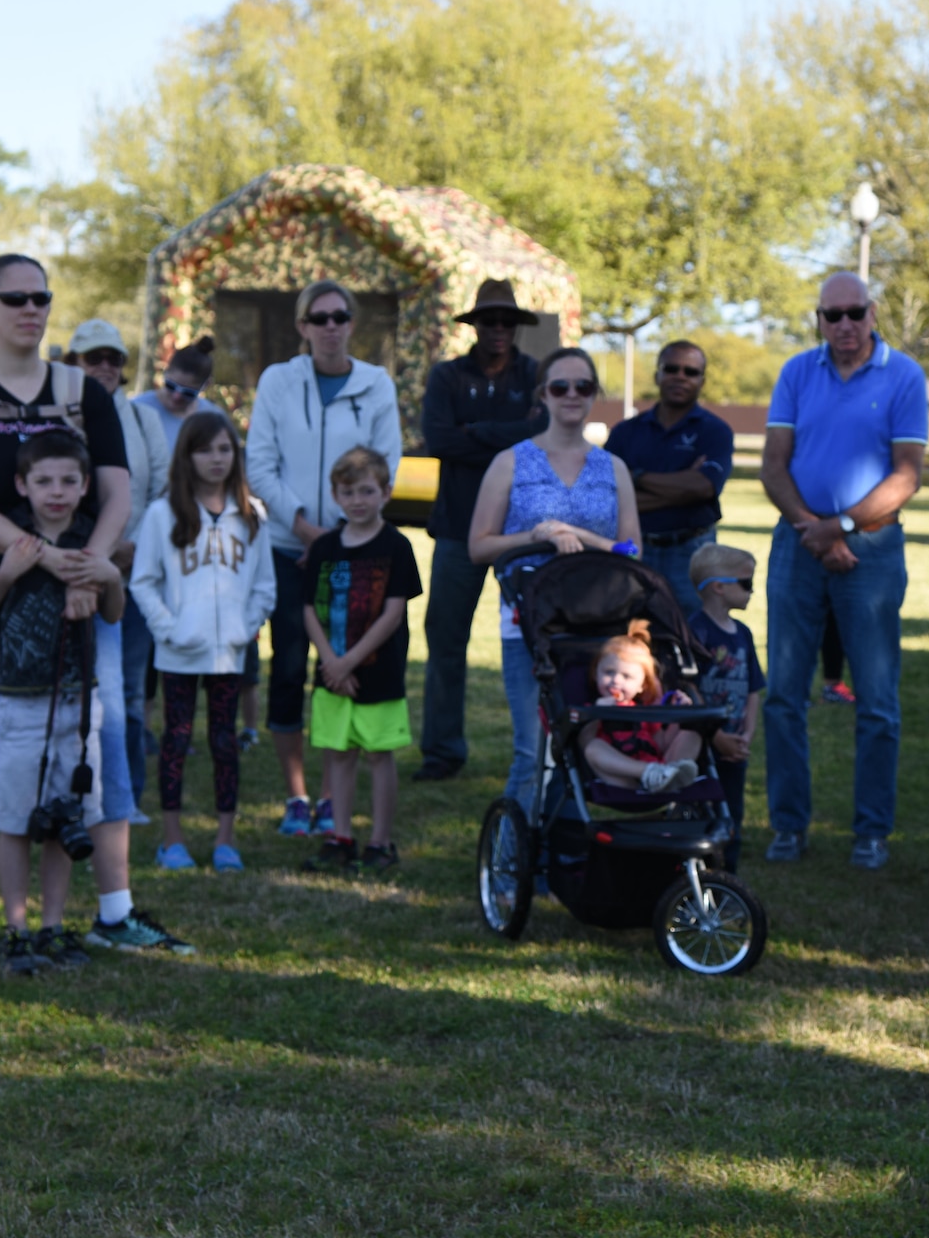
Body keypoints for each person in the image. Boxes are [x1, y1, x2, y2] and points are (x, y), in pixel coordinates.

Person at [0, 254, 187, 962]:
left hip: (79, 581)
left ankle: (114, 909)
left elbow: (118, 490)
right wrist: (41, 553)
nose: (30, 309)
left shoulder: (82, 388)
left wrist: (88, 566)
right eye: (14, 298)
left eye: (41, 297)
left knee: (104, 735)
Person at [759, 272, 927, 871]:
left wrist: (844, 528)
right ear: (820, 319)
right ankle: (787, 826)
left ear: (873, 313)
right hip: (799, 546)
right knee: (782, 695)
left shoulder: (903, 375)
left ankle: (871, 833)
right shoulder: (797, 373)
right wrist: (815, 528)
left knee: (877, 700)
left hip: (872, 553)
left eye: (855, 312)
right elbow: (773, 467)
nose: (845, 325)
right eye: (832, 315)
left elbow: (907, 475)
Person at [246, 280, 402, 836]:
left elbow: (386, 465)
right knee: (287, 667)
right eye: (320, 318)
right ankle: (297, 796)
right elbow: (259, 464)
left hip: (354, 551)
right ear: (302, 325)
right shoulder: (278, 382)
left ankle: (336, 798)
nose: (331, 326)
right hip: (291, 548)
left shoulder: (374, 384)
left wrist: (344, 532)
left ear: (352, 324)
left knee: (343, 667)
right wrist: (305, 527)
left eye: (340, 317)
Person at [0, 432, 128, 974]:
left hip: (81, 703)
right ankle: (15, 930)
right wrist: (9, 571)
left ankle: (53, 925)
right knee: (16, 818)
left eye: (68, 481)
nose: (56, 492)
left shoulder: (92, 539)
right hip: (20, 702)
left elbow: (112, 615)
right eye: (43, 481)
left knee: (68, 818)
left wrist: (108, 578)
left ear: (86, 486)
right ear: (23, 484)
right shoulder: (8, 536)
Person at [469, 348, 641, 817]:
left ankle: (566, 853)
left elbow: (632, 552)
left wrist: (581, 537)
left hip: (596, 628)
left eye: (582, 386)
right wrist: (536, 534)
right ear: (542, 394)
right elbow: (478, 546)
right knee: (532, 750)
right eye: (560, 386)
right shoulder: (511, 462)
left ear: (593, 395)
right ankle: (511, 865)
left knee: (581, 743)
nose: (571, 395)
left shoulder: (613, 468)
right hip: (527, 627)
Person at [413, 278, 548, 782]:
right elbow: (438, 440)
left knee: (540, 641)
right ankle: (442, 751)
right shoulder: (447, 376)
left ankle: (539, 749)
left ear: (516, 327)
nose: (498, 329)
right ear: (475, 325)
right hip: (456, 528)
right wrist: (508, 435)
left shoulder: (536, 375)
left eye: (507, 321)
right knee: (446, 641)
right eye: (489, 320)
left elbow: (542, 435)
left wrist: (477, 434)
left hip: (524, 530)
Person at [130, 412, 274, 873]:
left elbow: (265, 586)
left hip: (229, 654)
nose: (216, 459)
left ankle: (224, 840)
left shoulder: (252, 514)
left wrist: (244, 627)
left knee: (224, 742)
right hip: (178, 653)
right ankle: (172, 841)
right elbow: (143, 582)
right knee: (175, 739)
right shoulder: (162, 514)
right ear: (187, 457)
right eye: (205, 449)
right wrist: (169, 629)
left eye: (225, 449)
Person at [66, 319, 170, 822]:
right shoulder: (59, 415)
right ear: (73, 363)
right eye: (93, 358)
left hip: (131, 574)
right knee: (69, 689)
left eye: (113, 359)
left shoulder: (144, 418)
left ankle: (125, 797)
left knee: (128, 691)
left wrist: (131, 547)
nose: (105, 367)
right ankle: (70, 787)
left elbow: (165, 493)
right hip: (65, 570)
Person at [301, 446, 421, 870]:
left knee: (377, 755)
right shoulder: (324, 548)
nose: (358, 501)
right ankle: (340, 835)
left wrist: (349, 661)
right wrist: (332, 662)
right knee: (338, 754)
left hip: (377, 672)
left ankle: (380, 841)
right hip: (332, 673)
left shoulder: (397, 547)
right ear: (335, 495)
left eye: (367, 491)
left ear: (386, 493)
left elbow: (392, 614)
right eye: (348, 492)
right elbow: (308, 609)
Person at [604, 340, 734, 617]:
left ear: (702, 380)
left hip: (693, 551)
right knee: (631, 636)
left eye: (691, 372)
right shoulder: (625, 432)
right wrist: (682, 485)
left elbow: (704, 488)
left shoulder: (716, 431)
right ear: (657, 375)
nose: (680, 376)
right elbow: (608, 496)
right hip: (636, 549)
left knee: (694, 637)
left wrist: (635, 477)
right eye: (671, 368)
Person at [687, 542, 764, 870]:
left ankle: (727, 877)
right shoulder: (696, 631)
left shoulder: (743, 634)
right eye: (746, 583)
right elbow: (688, 686)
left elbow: (753, 688)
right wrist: (714, 734)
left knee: (732, 811)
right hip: (702, 743)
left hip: (735, 743)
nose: (752, 591)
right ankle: (695, 874)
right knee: (698, 809)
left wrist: (746, 734)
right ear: (719, 587)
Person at [577, 621, 702, 792]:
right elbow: (584, 742)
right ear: (595, 674)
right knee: (593, 748)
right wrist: (597, 713)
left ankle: (670, 777)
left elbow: (660, 743)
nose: (616, 680)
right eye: (608, 672)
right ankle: (650, 774)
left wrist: (679, 716)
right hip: (621, 778)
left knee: (693, 733)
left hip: (656, 768)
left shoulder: (643, 711)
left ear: (641, 686)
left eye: (626, 676)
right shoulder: (592, 708)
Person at [131, 334, 224, 454]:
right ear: (165, 371)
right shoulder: (137, 409)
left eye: (188, 393)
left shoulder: (214, 418)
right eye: (170, 386)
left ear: (206, 385)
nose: (176, 396)